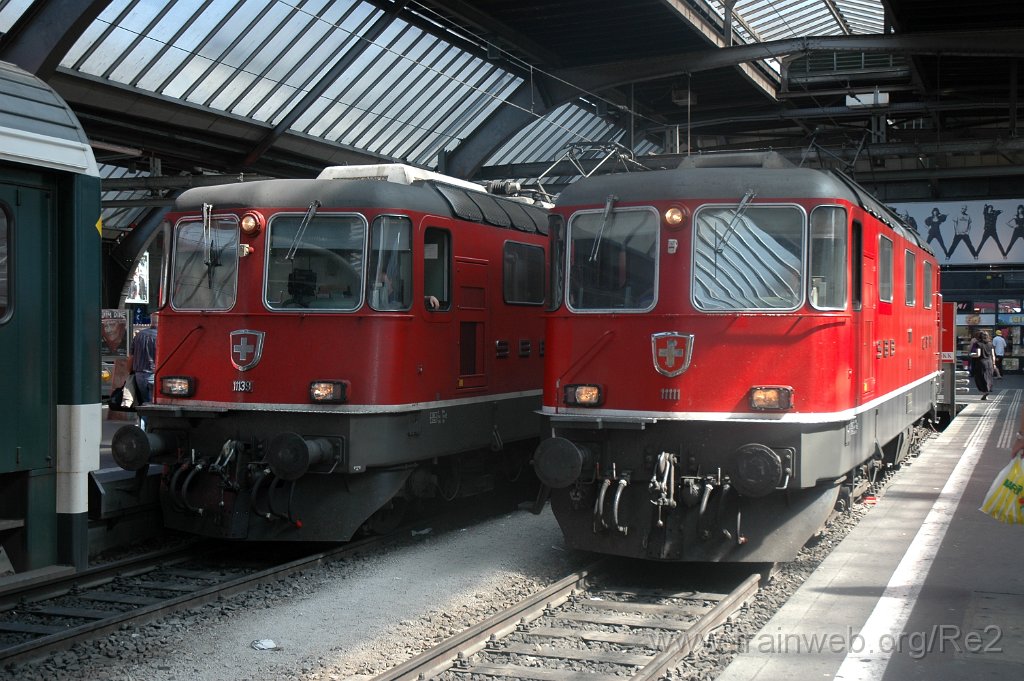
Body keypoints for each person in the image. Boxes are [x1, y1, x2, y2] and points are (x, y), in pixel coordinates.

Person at [126, 315, 157, 404]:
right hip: (154, 373)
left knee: (144, 401)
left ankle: (143, 417)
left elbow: (131, 356)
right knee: (154, 402)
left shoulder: (139, 335)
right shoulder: (162, 336)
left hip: (139, 374)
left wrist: (130, 371)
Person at [969, 330, 996, 400]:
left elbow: (978, 354)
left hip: (981, 363)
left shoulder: (978, 344)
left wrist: (971, 355)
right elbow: (993, 355)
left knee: (980, 378)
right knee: (988, 377)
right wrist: (994, 364)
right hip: (989, 362)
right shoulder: (990, 344)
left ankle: (985, 392)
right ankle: (987, 391)